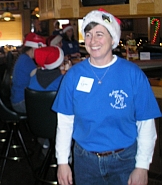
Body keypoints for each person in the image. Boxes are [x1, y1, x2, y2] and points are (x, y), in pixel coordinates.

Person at [52, 9, 162, 185]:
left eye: (99, 34)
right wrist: (63, 162)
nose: (93, 41)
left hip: (125, 160)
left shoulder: (132, 74)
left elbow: (146, 123)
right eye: (88, 35)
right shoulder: (73, 76)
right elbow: (64, 123)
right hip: (85, 160)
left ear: (113, 39)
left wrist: (142, 166)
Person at [10, 32, 46, 113]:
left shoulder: (23, 58)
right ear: (34, 48)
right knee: (48, 106)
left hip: (17, 98)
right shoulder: (27, 61)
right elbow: (40, 80)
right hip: (21, 102)